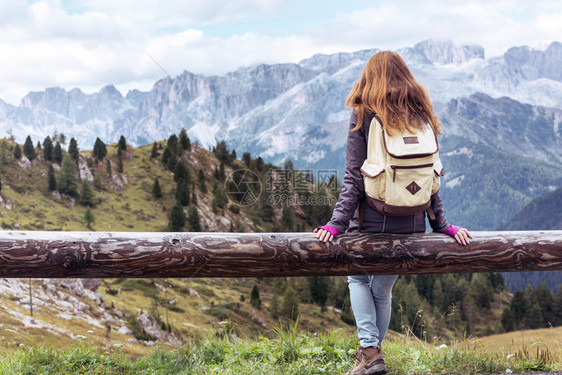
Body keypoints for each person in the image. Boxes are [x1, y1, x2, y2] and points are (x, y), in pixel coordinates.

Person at [313, 51, 471, 375]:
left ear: (369, 78)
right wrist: (442, 224)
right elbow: (431, 175)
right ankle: (371, 358)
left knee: (357, 277)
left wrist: (336, 223)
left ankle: (370, 352)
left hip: (371, 220)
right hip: (412, 223)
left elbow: (354, 175)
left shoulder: (364, 114)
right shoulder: (421, 114)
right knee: (382, 290)